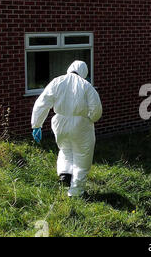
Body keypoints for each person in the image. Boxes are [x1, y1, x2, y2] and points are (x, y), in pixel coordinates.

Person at [31, 61, 102, 197]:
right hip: (81, 124)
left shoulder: (57, 82)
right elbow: (96, 111)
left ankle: (65, 173)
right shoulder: (87, 86)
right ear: (84, 72)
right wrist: (91, 118)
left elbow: (42, 103)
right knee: (82, 157)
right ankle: (76, 192)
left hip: (60, 122)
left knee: (65, 149)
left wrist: (36, 125)